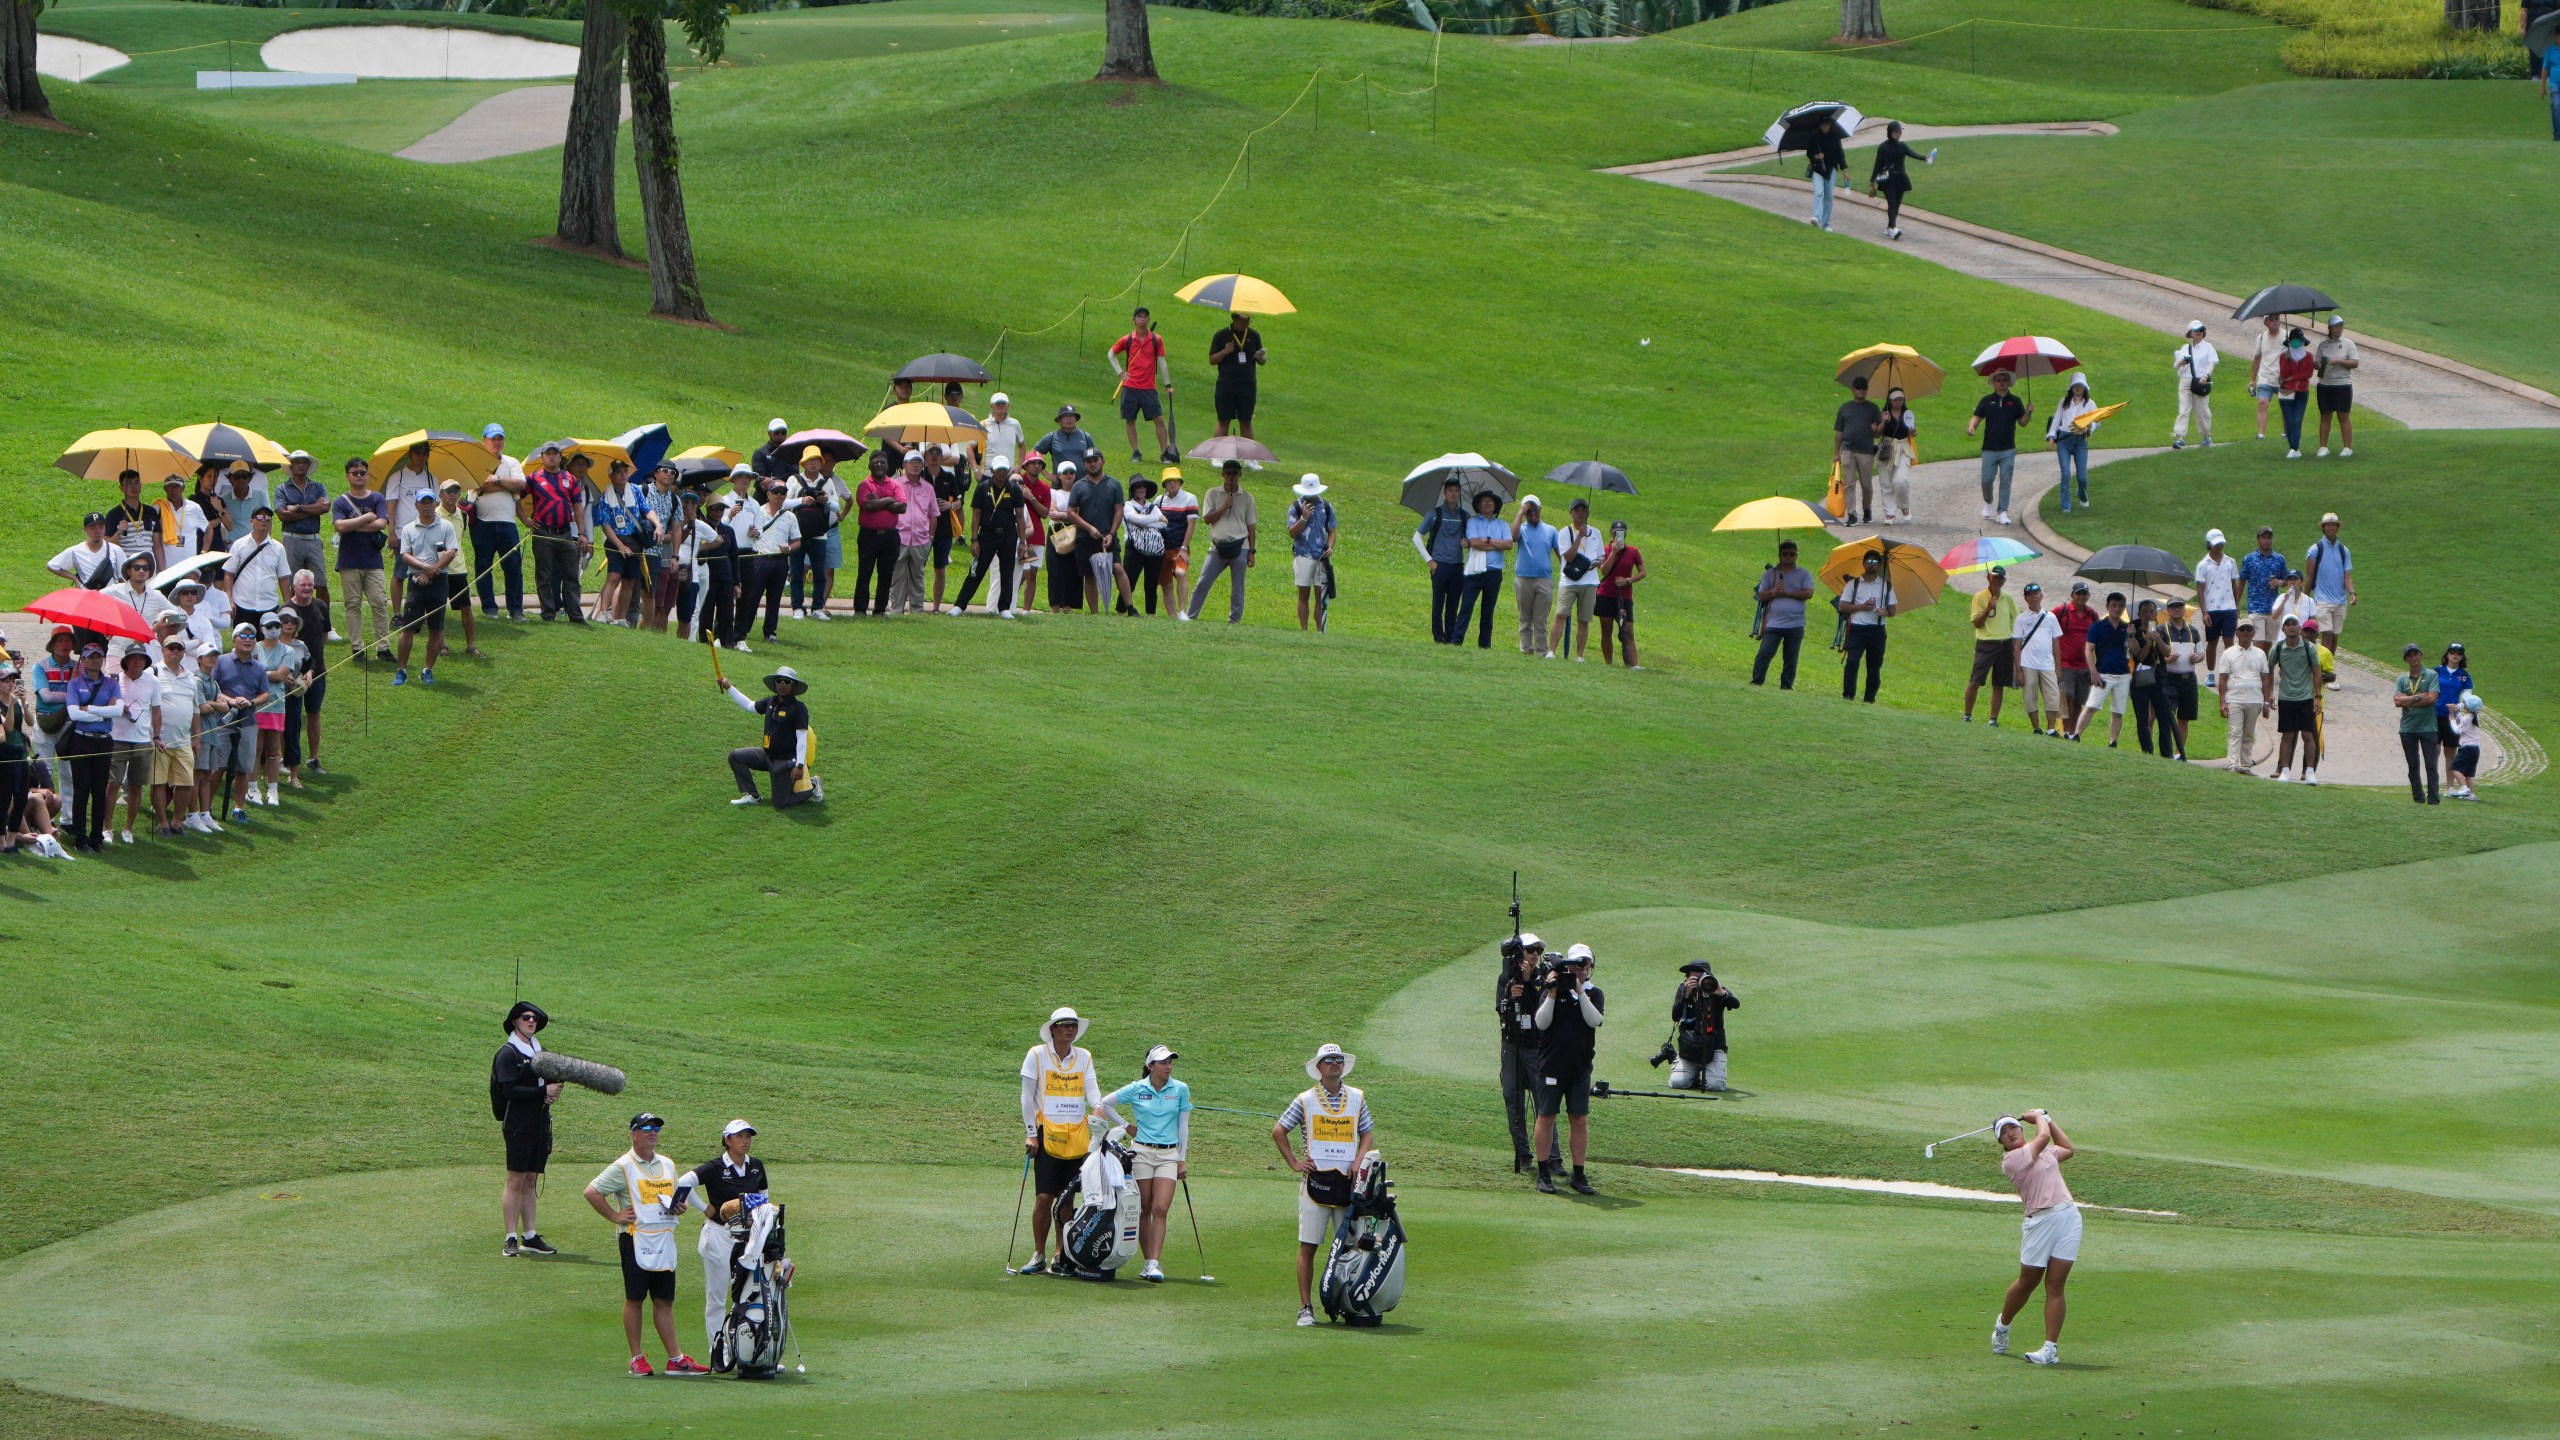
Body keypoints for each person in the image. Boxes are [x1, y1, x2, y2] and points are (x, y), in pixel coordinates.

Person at [583, 1113, 713, 1378]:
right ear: (633, 1134)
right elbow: (592, 1191)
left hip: (663, 1237)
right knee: (635, 1297)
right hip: (635, 1237)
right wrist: (615, 1216)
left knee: (664, 1299)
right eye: (646, 1128)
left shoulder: (667, 1164)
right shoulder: (624, 1166)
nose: (653, 1132)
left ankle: (675, 1359)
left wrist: (681, 1207)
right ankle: (636, 1358)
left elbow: (679, 1199)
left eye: (656, 1128)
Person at [1271, 1043, 1375, 1327]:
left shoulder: (1356, 1097)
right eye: (1328, 1060)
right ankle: (1305, 1307)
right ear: (1319, 1067)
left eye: (1338, 1060)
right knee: (1309, 1247)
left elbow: (1366, 1133)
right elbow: (1279, 1130)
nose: (1334, 1064)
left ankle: (1349, 1303)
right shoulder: (1305, 1099)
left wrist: (1358, 1160)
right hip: (1315, 1183)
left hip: (1347, 1182)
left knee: (1350, 1246)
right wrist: (1294, 1162)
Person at [671, 1119, 770, 1354]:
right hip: (718, 1236)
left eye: (748, 1136)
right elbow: (682, 1184)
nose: (745, 1141)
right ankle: (719, 1351)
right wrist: (705, 1208)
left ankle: (745, 1351)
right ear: (727, 1140)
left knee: (746, 1294)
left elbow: (764, 1198)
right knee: (717, 1298)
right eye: (740, 1136)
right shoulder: (715, 1167)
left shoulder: (756, 1166)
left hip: (748, 1239)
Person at [1019, 1007, 1104, 1278]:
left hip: (1076, 1136)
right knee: (1044, 1197)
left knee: (1067, 1200)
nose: (1070, 1029)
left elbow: (1093, 1092)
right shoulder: (1036, 1055)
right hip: (1046, 1133)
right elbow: (1026, 1098)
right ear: (1053, 1028)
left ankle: (1061, 1255)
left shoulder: (1084, 1057)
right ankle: (1039, 1253)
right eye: (1065, 1025)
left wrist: (1098, 1110)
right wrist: (1031, 1133)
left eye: (1074, 1025)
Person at [1991, 1110, 2079, 1367]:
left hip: (2068, 1217)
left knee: (2055, 1284)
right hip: (2039, 1222)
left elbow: (2067, 1148)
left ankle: (2050, 1349)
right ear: (2002, 1144)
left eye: (2012, 1128)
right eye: (2004, 1134)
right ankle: (2003, 1326)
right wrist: (2039, 1116)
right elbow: (2042, 1136)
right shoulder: (2012, 1160)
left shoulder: (2041, 1150)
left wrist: (2049, 1120)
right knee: (2028, 1282)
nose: (2011, 1134)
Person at [1103, 1046, 1194, 1284]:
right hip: (1141, 1152)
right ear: (1151, 1066)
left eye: (1170, 1062)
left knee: (1161, 1208)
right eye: (1163, 1062)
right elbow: (1106, 1103)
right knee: (1144, 1209)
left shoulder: (1180, 1089)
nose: (1168, 1066)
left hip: (1168, 1155)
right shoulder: (1137, 1088)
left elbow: (1183, 1126)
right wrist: (1126, 1125)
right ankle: (1147, 1262)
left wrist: (1182, 1158)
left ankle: (1154, 1262)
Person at [492, 1000, 564, 1259]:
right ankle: (511, 1237)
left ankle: (530, 1235)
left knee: (531, 1179)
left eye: (534, 1018)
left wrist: (554, 1090)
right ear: (515, 1021)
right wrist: (542, 1092)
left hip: (540, 1123)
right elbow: (509, 1090)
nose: (531, 1021)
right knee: (515, 1180)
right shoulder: (508, 1053)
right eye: (525, 1018)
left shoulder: (539, 1051)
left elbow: (554, 1077)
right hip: (518, 1125)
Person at [1531, 942, 1604, 1196]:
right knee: (1547, 1117)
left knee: (1579, 1119)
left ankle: (1579, 1174)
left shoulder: (1594, 994)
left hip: (1580, 1068)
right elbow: (1541, 1023)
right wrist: (1551, 993)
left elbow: (1594, 1020)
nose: (1580, 969)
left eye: (1584, 964)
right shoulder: (1552, 990)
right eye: (1575, 964)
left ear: (1591, 966)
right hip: (1551, 1065)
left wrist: (1580, 992)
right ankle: (1543, 1173)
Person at [1495, 935, 1553, 1174]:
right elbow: (1502, 1009)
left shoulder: (1543, 977)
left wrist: (1528, 983)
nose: (1535, 954)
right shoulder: (1506, 977)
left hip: (1536, 1047)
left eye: (1538, 950)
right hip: (1512, 1044)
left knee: (1544, 1104)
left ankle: (1552, 1158)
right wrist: (1511, 993)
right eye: (1531, 950)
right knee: (1513, 1099)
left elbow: (1540, 1010)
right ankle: (1523, 1154)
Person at [719, 664, 815, 809]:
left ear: (794, 685)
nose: (782, 685)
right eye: (779, 681)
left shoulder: (799, 708)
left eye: (787, 682)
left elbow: (802, 739)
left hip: (786, 760)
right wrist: (729, 687)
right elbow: (749, 705)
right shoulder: (771, 702)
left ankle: (812, 785)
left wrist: (799, 765)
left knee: (780, 803)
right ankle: (753, 795)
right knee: (736, 756)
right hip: (767, 755)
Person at [393, 490, 458, 687]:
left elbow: (451, 552)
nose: (427, 505)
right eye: (423, 502)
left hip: (439, 581)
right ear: (417, 505)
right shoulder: (409, 528)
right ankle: (401, 670)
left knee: (436, 628)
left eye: (430, 502)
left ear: (435, 503)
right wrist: (423, 568)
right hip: (415, 582)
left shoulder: (445, 526)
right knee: (408, 628)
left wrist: (430, 571)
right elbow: (405, 555)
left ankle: (427, 670)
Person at [331, 457, 394, 661]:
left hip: (373, 561)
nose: (359, 476)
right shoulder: (341, 501)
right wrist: (367, 518)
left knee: (379, 603)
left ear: (367, 475)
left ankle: (383, 647)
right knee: (353, 604)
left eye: (362, 472)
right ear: (347, 476)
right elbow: (339, 527)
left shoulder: (377, 498)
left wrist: (352, 525)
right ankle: (357, 648)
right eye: (355, 473)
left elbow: (382, 523)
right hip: (349, 561)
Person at [58, 643, 118, 851]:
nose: (94, 660)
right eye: (90, 657)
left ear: (103, 659)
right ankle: (80, 839)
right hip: (81, 740)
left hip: (103, 740)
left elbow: (118, 711)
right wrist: (103, 712)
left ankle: (96, 839)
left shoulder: (111, 683)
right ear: (82, 660)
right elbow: (74, 714)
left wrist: (90, 709)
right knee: (81, 790)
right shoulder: (75, 684)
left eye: (98, 656)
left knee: (99, 791)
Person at [1184, 461, 1257, 624]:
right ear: (1223, 474)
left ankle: (1234, 620)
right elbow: (1207, 519)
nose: (1232, 476)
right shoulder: (1212, 493)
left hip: (1241, 546)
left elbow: (1252, 526)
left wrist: (1252, 551)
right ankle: (1190, 616)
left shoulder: (1247, 498)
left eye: (1235, 473)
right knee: (1203, 582)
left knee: (1238, 587)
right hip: (1217, 547)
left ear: (1240, 474)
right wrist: (1225, 506)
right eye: (1228, 473)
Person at [523, 445, 589, 623]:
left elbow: (577, 506)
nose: (551, 457)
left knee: (571, 576)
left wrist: (582, 533)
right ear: (542, 457)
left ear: (561, 457)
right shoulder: (534, 478)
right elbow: (516, 496)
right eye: (548, 454)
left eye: (555, 454)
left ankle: (575, 615)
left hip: (566, 533)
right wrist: (524, 519)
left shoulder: (570, 479)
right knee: (544, 574)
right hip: (543, 532)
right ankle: (548, 613)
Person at [471, 424, 529, 621]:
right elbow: (480, 486)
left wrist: (495, 480)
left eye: (500, 438)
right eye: (493, 438)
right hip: (481, 522)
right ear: (484, 440)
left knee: (513, 566)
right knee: (484, 565)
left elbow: (521, 484)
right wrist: (506, 485)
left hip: (507, 522)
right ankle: (489, 607)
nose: (497, 442)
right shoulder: (476, 461)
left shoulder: (511, 462)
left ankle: (515, 609)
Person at [1109, 306, 1177, 464]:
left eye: (1145, 316)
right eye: (1139, 316)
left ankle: (1164, 453)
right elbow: (1111, 354)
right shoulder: (1127, 340)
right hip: (1130, 386)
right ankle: (1136, 452)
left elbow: (1162, 362)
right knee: (1130, 419)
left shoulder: (1156, 339)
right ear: (1134, 320)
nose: (1142, 319)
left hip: (1148, 387)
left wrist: (1168, 385)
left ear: (1148, 319)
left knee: (1159, 419)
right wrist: (1120, 372)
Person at [102, 648, 156, 844]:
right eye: (133, 658)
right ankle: (107, 827)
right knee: (113, 784)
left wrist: (156, 736)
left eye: (141, 658)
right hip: (117, 738)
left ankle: (128, 829)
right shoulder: (114, 679)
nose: (137, 662)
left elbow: (156, 711)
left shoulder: (152, 681)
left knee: (136, 785)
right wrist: (115, 705)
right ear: (126, 661)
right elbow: (104, 704)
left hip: (142, 740)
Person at [146, 637, 198, 836]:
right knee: (158, 782)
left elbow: (195, 709)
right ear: (163, 650)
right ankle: (162, 823)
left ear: (184, 652)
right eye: (171, 647)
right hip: (160, 739)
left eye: (179, 648)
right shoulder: (153, 673)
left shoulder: (191, 677)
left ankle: (177, 822)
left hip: (184, 739)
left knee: (186, 782)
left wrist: (197, 737)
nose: (175, 651)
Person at [591, 460, 651, 627]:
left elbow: (646, 510)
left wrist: (658, 525)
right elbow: (605, 525)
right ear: (611, 475)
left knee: (630, 580)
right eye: (619, 472)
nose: (624, 474)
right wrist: (620, 545)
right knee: (614, 576)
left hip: (635, 540)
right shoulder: (606, 496)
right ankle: (603, 612)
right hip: (615, 540)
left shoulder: (635, 490)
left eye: (625, 471)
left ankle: (620, 618)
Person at [279, 576, 329, 775]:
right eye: (303, 585)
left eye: (310, 585)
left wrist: (311, 668)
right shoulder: (286, 609)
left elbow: (324, 635)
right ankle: (284, 759)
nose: (308, 588)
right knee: (288, 718)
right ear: (294, 587)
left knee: (314, 713)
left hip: (315, 670)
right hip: (290, 675)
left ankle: (313, 758)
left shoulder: (320, 606)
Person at [742, 481, 804, 640]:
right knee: (752, 596)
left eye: (783, 492)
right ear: (768, 494)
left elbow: (797, 541)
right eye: (775, 492)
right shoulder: (758, 511)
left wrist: (789, 549)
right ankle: (743, 628)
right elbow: (746, 533)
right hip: (760, 558)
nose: (779, 495)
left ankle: (770, 632)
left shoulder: (789, 516)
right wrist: (751, 532)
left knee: (775, 598)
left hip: (780, 560)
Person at [1966, 371, 2030, 526]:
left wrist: (2028, 412)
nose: (2001, 382)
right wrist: (1971, 426)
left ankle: (2002, 512)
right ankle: (1988, 501)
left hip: (2008, 449)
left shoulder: (2015, 401)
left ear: (2009, 383)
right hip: (1989, 448)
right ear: (1993, 382)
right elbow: (1977, 416)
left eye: (2004, 380)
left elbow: (2023, 422)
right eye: (1998, 380)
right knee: (1986, 480)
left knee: (2006, 480)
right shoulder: (1987, 401)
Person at [1665, 961, 1739, 1092]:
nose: (1697, 981)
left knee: (1715, 1086)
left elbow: (1735, 1004)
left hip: (1715, 1046)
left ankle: (1707, 1073)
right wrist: (1686, 995)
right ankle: (1693, 1076)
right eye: (1693, 978)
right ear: (1687, 978)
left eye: (1701, 977)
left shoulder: (1716, 990)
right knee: (1677, 1082)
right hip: (1689, 1046)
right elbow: (1675, 1016)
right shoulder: (1683, 990)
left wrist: (1721, 993)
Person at [1412, 477, 1470, 644]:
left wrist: (1466, 543)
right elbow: (1417, 537)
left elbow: (1470, 541)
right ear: (1445, 493)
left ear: (1460, 493)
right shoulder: (1435, 514)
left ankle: (1451, 637)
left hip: (1458, 565)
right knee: (1438, 605)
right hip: (1440, 565)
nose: (1453, 494)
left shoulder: (1465, 517)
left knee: (1453, 606)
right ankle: (1439, 637)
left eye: (1456, 491)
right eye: (1450, 490)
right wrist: (1429, 560)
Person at [271, 451, 331, 612]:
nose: (301, 465)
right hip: (292, 538)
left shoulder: (318, 487)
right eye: (297, 462)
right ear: (291, 465)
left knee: (321, 582)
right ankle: (293, 616)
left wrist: (297, 508)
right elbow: (283, 515)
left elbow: (325, 507)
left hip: (313, 538)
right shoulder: (282, 488)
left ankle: (325, 622)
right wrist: (313, 509)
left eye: (304, 462)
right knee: (293, 582)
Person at [1750, 539, 1814, 688]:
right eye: (1785, 554)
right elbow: (1761, 595)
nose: (1788, 557)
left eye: (1792, 554)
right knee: (1764, 653)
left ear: (1797, 555)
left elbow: (1808, 593)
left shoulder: (1804, 574)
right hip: (1774, 622)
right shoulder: (1770, 575)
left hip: (1796, 623)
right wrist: (1773, 591)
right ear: (1779, 555)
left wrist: (1786, 593)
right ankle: (1757, 681)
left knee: (1791, 658)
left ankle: (1786, 686)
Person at [2072, 592, 2133, 746]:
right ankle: (2077, 734)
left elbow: (2134, 651)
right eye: (2114, 605)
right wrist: (2093, 672)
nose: (2117, 609)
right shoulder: (2097, 626)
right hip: (2104, 672)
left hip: (2123, 674)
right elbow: (2088, 650)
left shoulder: (2127, 628)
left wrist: (2132, 635)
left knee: (2118, 711)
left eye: (2120, 606)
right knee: (2092, 706)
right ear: (2107, 606)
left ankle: (2113, 741)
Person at [1065, 455, 1124, 614]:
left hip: (1108, 535)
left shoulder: (1114, 484)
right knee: (1089, 575)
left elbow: (1119, 510)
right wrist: (1089, 528)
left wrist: (1112, 533)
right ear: (1084, 464)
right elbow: (1071, 512)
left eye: (1095, 460)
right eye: (1088, 461)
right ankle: (1095, 613)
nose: (1092, 464)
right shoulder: (1078, 486)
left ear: (1102, 461)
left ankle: (1129, 608)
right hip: (1085, 537)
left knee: (1118, 569)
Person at [1835, 548, 1896, 702]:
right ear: (1863, 563)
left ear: (1880, 565)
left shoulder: (1886, 585)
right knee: (1852, 662)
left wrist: (1885, 611)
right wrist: (1861, 607)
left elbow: (1893, 609)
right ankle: (1848, 694)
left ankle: (1869, 698)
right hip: (1857, 628)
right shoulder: (1853, 584)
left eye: (1875, 562)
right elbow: (1842, 606)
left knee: (1874, 667)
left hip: (1877, 630)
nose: (1871, 565)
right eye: (1868, 561)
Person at [1453, 489, 1511, 650]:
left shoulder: (1503, 525)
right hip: (1474, 572)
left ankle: (1485, 644)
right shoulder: (1473, 522)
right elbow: (1474, 542)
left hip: (1494, 573)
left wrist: (1488, 539)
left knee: (1488, 610)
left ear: (1495, 505)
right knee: (1466, 607)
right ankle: (1457, 640)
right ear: (1478, 505)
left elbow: (1508, 544)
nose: (1487, 503)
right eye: (1483, 501)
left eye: (1490, 501)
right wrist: (1493, 544)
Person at [2270, 614, 2322, 783]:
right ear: (2283, 629)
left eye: (2294, 624)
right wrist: (2270, 692)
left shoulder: (2309, 648)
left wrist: (2317, 697)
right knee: (2287, 735)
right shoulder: (2278, 649)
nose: (2291, 627)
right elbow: (2268, 669)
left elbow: (2316, 671)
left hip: (2305, 697)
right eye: (2288, 624)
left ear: (2299, 628)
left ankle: (2310, 771)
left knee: (2308, 735)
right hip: (2286, 698)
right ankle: (2285, 770)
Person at [1963, 566, 2017, 727]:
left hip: (2005, 644)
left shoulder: (2007, 598)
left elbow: (2017, 619)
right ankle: (1967, 715)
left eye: (2000, 578)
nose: (1997, 580)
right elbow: (1977, 624)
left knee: (1999, 683)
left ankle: (1993, 718)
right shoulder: (1980, 597)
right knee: (1975, 681)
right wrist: (1988, 608)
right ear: (1989, 578)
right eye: (1995, 577)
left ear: (2004, 581)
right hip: (1986, 644)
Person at [2388, 643, 2442, 805]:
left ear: (2421, 655)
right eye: (2410, 655)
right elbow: (2398, 701)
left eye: (2416, 654)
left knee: (2431, 764)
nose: (2414, 657)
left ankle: (2433, 798)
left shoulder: (2431, 675)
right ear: (2405, 659)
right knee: (2413, 765)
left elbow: (2432, 698)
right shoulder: (2402, 679)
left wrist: (2409, 700)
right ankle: (2418, 797)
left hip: (2428, 727)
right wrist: (2419, 697)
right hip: (2408, 728)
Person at [852, 452, 905, 618]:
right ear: (869, 467)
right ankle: (860, 609)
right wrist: (890, 500)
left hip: (890, 536)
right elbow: (868, 506)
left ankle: (880, 610)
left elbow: (902, 507)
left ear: (887, 466)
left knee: (886, 574)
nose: (879, 466)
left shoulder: (895, 485)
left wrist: (881, 500)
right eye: (875, 463)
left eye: (882, 462)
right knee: (865, 572)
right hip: (869, 536)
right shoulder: (864, 485)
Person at [434, 484, 483, 659]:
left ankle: (470, 645)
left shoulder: (463, 514)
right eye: (449, 492)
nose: (453, 495)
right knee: (437, 608)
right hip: (439, 568)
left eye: (456, 492)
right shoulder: (434, 515)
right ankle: (441, 646)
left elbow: (461, 538)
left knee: (466, 607)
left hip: (458, 569)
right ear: (441, 494)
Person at [2217, 618, 2272, 774]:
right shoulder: (2228, 653)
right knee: (2235, 732)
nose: (2246, 633)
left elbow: (2265, 677)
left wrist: (2266, 702)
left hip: (2254, 699)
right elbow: (2223, 678)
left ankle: (2245, 764)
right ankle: (2233, 764)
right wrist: (2222, 702)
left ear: (2254, 633)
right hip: (2234, 698)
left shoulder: (2260, 653)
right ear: (2237, 633)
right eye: (2243, 630)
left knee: (2248, 733)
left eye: (2249, 630)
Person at [221, 505, 294, 624]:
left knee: (269, 641)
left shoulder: (278, 548)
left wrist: (287, 606)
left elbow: (284, 579)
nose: (264, 520)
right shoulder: (239, 545)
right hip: (243, 605)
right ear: (251, 521)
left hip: (269, 605)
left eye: (268, 518)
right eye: (260, 517)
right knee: (244, 640)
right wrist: (229, 600)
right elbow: (229, 574)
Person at [1551, 498, 1604, 662]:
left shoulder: (1596, 533)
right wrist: (1579, 537)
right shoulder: (1564, 532)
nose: (1581, 513)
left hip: (1589, 581)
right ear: (1571, 513)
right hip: (1569, 581)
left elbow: (1601, 556)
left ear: (1588, 513)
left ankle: (1579, 655)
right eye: (1577, 510)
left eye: (1584, 510)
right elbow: (1568, 556)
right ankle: (1551, 651)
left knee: (1584, 619)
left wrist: (1596, 562)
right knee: (1561, 614)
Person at [890, 452, 941, 616]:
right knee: (897, 576)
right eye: (911, 462)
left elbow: (933, 515)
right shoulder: (895, 484)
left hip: (921, 539)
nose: (915, 465)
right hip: (899, 537)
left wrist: (930, 538)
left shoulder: (928, 487)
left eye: (919, 462)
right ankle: (896, 610)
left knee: (917, 576)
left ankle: (916, 611)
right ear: (904, 465)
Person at [2008, 582, 2061, 735]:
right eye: (2030, 595)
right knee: (2030, 696)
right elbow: (2016, 646)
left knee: (2052, 696)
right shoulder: (2021, 619)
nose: (2033, 597)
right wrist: (2018, 670)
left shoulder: (2051, 617)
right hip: (2028, 663)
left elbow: (2056, 643)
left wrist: (2058, 667)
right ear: (2026, 599)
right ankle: (2037, 727)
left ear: (2041, 595)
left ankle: (2051, 729)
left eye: (2036, 594)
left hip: (2047, 664)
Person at [1286, 475, 1337, 633]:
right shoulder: (1295, 507)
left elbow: (1332, 531)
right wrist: (1303, 518)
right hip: (1303, 556)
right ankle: (1304, 630)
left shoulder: (1326, 507)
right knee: (1303, 595)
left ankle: (1319, 630)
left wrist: (1329, 546)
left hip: (1321, 557)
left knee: (1320, 597)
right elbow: (1292, 533)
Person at [1510, 495, 1558, 656]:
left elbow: (1560, 554)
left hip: (1544, 579)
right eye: (1528, 511)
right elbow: (1513, 537)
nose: (1532, 514)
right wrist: (1519, 513)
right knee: (1525, 618)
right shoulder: (1521, 528)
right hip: (1523, 578)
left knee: (1540, 619)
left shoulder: (1551, 530)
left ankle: (1542, 651)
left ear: (1540, 510)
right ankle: (1525, 649)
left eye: (1535, 510)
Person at [1595, 520, 1645, 669]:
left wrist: (1628, 580)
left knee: (1628, 631)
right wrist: (1614, 552)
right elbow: (1603, 570)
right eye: (1616, 533)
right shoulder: (1605, 550)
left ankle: (1634, 664)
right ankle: (1608, 663)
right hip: (1605, 594)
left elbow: (1643, 572)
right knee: (1606, 629)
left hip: (1625, 597)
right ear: (1611, 533)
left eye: (1622, 532)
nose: (1619, 535)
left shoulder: (1633, 551)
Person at [2046, 373, 2098, 514]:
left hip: (2081, 441)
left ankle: (2083, 495)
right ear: (2071, 387)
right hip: (2064, 441)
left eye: (2080, 386)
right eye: (2076, 385)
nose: (2078, 388)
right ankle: (2065, 505)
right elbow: (2057, 420)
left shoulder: (2090, 404)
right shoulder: (2064, 402)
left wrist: (2090, 428)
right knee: (2066, 473)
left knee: (2082, 477)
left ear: (2084, 388)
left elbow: (2097, 421)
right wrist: (2051, 436)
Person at [1834, 375, 1882, 526]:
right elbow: (1839, 431)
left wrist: (1881, 425)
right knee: (1849, 483)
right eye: (1859, 388)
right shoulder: (1845, 408)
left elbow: (1878, 433)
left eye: (1864, 388)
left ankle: (1867, 509)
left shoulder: (1873, 408)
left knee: (1866, 484)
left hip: (1866, 451)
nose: (1862, 391)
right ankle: (1852, 514)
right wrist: (1836, 452)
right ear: (1853, 389)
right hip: (1848, 449)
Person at [1210, 311, 1266, 438]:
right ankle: (1218, 455)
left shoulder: (1254, 335)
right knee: (1224, 420)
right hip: (1226, 384)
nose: (1246, 324)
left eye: (1248, 320)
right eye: (1243, 321)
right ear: (1235, 319)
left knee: (1246, 421)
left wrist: (1260, 358)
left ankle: (1248, 456)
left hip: (1248, 385)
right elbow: (1212, 360)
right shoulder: (1221, 335)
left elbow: (1262, 360)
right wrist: (1224, 351)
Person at [2306, 512, 2356, 655]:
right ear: (2324, 528)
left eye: (2334, 525)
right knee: (2326, 635)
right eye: (2328, 525)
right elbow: (2309, 577)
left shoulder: (2343, 550)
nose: (2331, 528)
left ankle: (2328, 665)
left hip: (2340, 601)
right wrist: (2305, 600)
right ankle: (2322, 668)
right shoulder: (2315, 549)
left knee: (2334, 636)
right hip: (2322, 600)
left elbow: (2347, 576)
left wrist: (2352, 592)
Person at [926, 446, 969, 614]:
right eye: (931, 452)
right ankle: (914, 602)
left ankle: (936, 606)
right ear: (926, 455)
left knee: (940, 568)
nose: (935, 456)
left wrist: (949, 505)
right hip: (923, 528)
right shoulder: (921, 476)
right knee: (917, 567)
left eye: (938, 453)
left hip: (944, 528)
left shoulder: (948, 477)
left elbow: (959, 502)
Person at [2158, 598, 2201, 760]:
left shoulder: (2193, 631)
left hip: (2188, 678)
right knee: (2168, 715)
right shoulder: (2162, 630)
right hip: (2169, 678)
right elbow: (2156, 655)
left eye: (2179, 607)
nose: (2176, 609)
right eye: (2173, 607)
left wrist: (2198, 657)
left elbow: (2201, 651)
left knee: (2184, 718)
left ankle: (2179, 753)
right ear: (2168, 610)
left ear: (2184, 610)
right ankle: (2167, 751)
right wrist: (2166, 659)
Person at [49, 510, 129, 596]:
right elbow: (52, 565)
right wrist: (74, 578)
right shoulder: (75, 551)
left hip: (110, 598)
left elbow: (123, 578)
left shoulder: (116, 550)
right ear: (85, 530)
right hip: (87, 598)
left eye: (101, 526)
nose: (98, 531)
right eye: (93, 527)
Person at [2194, 528, 2239, 679]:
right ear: (2209, 544)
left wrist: (2236, 605)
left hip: (2229, 607)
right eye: (2216, 544)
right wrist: (2204, 612)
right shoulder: (2203, 565)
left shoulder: (2231, 562)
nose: (2219, 546)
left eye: (2221, 543)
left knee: (2229, 640)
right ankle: (2211, 673)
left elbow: (2234, 584)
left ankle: (2229, 672)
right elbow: (2200, 589)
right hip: (2212, 609)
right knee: (2212, 641)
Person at [1866, 119, 1921, 239]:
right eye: (1896, 132)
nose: (1898, 134)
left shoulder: (1902, 146)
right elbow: (1877, 165)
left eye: (1899, 131)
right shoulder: (1883, 147)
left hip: (1901, 178)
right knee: (1892, 202)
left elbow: (1913, 154)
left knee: (1897, 204)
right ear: (1890, 132)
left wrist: (1926, 158)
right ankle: (1892, 228)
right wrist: (1872, 181)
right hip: (1888, 180)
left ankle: (1890, 228)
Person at [2313, 314, 2359, 457]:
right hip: (2325, 384)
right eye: (2336, 326)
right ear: (2330, 328)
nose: (2339, 329)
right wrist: (2318, 364)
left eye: (2341, 326)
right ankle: (2323, 447)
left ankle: (2347, 448)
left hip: (2342, 384)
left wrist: (2338, 361)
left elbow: (2355, 363)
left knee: (2343, 415)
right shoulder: (2323, 345)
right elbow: (2317, 364)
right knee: (2325, 415)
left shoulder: (2348, 344)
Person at [1157, 466, 1199, 618]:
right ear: (1165, 484)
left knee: (1180, 573)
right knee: (1166, 583)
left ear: (1180, 482)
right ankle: (1172, 616)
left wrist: (1184, 548)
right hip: (1162, 548)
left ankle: (1182, 611)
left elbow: (1191, 526)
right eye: (1169, 481)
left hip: (1179, 546)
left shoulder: (1189, 498)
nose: (1172, 483)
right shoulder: (1160, 500)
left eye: (1175, 480)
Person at [2237, 527, 2288, 648]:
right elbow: (2242, 581)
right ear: (2258, 539)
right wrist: (2236, 602)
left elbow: (2287, 580)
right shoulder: (2249, 559)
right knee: (2258, 644)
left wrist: (2279, 582)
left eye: (2269, 537)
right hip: (2256, 608)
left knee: (2268, 646)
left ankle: (2265, 667)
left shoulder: (2279, 559)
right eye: (2263, 537)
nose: (2266, 540)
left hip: (2273, 608)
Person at [2173, 320, 2218, 449]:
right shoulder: (2185, 348)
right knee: (2184, 409)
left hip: (2200, 381)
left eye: (2200, 330)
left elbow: (2212, 363)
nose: (2198, 333)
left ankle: (2206, 436)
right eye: (2196, 331)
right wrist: (2181, 363)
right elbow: (2176, 365)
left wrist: (2206, 375)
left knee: (2202, 410)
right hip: (2186, 380)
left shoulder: (2208, 347)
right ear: (2190, 333)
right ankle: (2180, 437)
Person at [1874, 388, 1917, 523]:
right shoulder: (1883, 414)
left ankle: (1904, 506)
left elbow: (1913, 432)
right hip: (1887, 447)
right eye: (1895, 399)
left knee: (1901, 480)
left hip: (1903, 448)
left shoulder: (1907, 414)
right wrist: (1884, 422)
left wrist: (1913, 431)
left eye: (1901, 399)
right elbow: (1877, 434)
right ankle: (1890, 513)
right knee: (1886, 482)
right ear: (1890, 400)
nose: (1898, 402)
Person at [2273, 326, 2315, 457]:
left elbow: (2307, 373)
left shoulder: (2308, 356)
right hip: (2286, 390)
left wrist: (2292, 377)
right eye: (2294, 340)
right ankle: (2293, 447)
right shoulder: (2283, 357)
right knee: (2289, 419)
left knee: (2297, 419)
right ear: (2290, 342)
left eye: (2298, 340)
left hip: (2302, 391)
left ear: (2303, 342)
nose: (2296, 342)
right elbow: (2284, 374)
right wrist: (2287, 360)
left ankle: (2294, 447)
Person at [1035, 404, 1105, 480]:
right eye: (1066, 416)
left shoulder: (1085, 436)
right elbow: (1034, 454)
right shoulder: (1052, 437)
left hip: (1083, 484)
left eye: (1072, 416)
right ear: (1059, 420)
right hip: (1060, 485)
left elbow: (1095, 459)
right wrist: (1047, 475)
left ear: (1076, 419)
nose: (1069, 419)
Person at [154, 474, 209, 569]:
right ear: (164, 489)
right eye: (169, 486)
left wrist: (204, 552)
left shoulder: (194, 507)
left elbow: (209, 529)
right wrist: (161, 568)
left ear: (183, 488)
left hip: (190, 568)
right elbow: (155, 539)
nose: (173, 489)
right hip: (168, 568)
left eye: (176, 486)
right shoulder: (158, 508)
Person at [2247, 314, 2286, 441]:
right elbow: (2257, 358)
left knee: (2286, 406)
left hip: (2284, 379)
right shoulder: (2262, 337)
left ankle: (2286, 433)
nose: (2275, 321)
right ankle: (2261, 435)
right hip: (2266, 378)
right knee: (2262, 403)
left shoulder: (2287, 336)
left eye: (2277, 318)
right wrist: (2252, 379)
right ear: (2266, 322)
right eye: (2272, 319)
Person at [1804, 115, 1845, 231]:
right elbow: (1808, 153)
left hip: (1831, 169)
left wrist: (1844, 169)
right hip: (1817, 169)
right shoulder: (1814, 137)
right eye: (1823, 124)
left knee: (1828, 197)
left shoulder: (1835, 137)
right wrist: (1815, 156)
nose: (1825, 126)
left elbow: (1840, 154)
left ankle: (1826, 224)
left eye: (1827, 124)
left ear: (1830, 125)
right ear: (1820, 125)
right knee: (1819, 193)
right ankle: (1817, 217)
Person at [2447, 687, 2484, 802]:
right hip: (2475, 749)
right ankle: (2471, 795)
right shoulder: (2474, 716)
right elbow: (2464, 722)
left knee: (2454, 768)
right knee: (2469, 774)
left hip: (2467, 749)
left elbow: (2458, 730)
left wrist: (2452, 720)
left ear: (2467, 707)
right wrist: (2458, 715)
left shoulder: (2467, 719)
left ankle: (2464, 789)